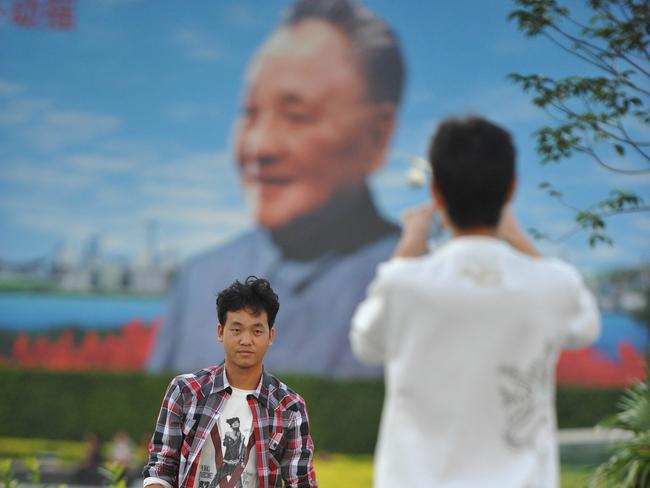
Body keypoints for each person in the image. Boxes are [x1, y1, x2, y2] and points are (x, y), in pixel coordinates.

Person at [147, 0, 405, 376]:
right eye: (250, 112)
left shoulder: (412, 282)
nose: (260, 147)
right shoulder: (200, 279)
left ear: (377, 135)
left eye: (296, 115)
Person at [350, 116, 601, 487]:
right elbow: (586, 324)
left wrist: (406, 248)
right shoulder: (551, 283)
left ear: (436, 192)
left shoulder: (403, 282)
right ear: (511, 190)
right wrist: (517, 237)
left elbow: (365, 342)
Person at [143, 276, 317, 488]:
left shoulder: (290, 407)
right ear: (220, 332)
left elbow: (301, 482)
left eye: (257, 331)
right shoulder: (185, 391)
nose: (246, 340)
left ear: (270, 336)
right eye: (236, 329)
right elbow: (161, 466)